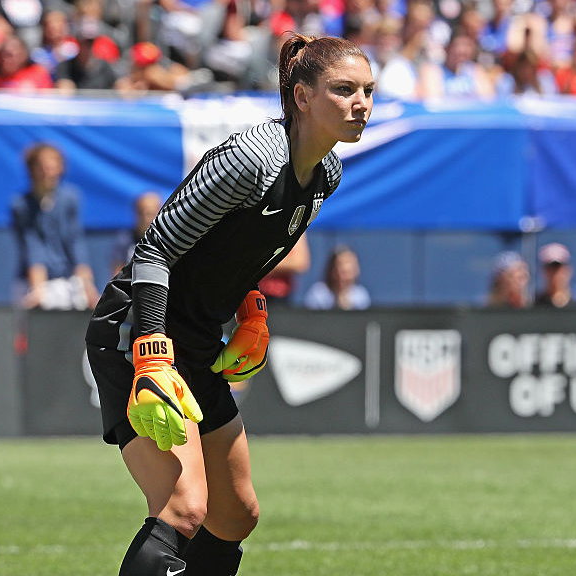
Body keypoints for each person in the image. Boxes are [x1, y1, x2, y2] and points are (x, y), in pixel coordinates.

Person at [85, 34, 374, 575]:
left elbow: (233, 250)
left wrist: (250, 308)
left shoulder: (326, 175)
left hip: (194, 341)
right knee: (183, 507)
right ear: (302, 97)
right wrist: (150, 355)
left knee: (235, 516)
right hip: (139, 333)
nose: (361, 102)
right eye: (343, 89)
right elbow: (154, 249)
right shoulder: (250, 159)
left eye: (366, 90)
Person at [10, 142, 99, 311]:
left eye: (53, 166)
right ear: (32, 169)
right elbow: (32, 244)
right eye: (42, 166)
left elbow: (75, 240)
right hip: (32, 280)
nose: (48, 171)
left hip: (68, 279)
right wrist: (38, 288)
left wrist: (87, 286)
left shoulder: (71, 198)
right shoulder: (20, 205)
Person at [111, 191, 164, 276]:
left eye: (150, 213)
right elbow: (116, 275)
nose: (146, 219)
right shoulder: (125, 241)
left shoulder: (168, 242)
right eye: (141, 213)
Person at [303, 244, 370, 310]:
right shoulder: (318, 293)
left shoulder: (361, 295)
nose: (343, 277)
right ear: (331, 270)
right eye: (340, 269)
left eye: (348, 271)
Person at [258, 233, 310, 305]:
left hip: (280, 296)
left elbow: (300, 262)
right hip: (250, 293)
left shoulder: (294, 226)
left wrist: (265, 264)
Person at [534, 242, 576, 308]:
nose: (554, 273)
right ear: (542, 271)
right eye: (549, 268)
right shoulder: (534, 306)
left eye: (557, 267)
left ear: (568, 270)